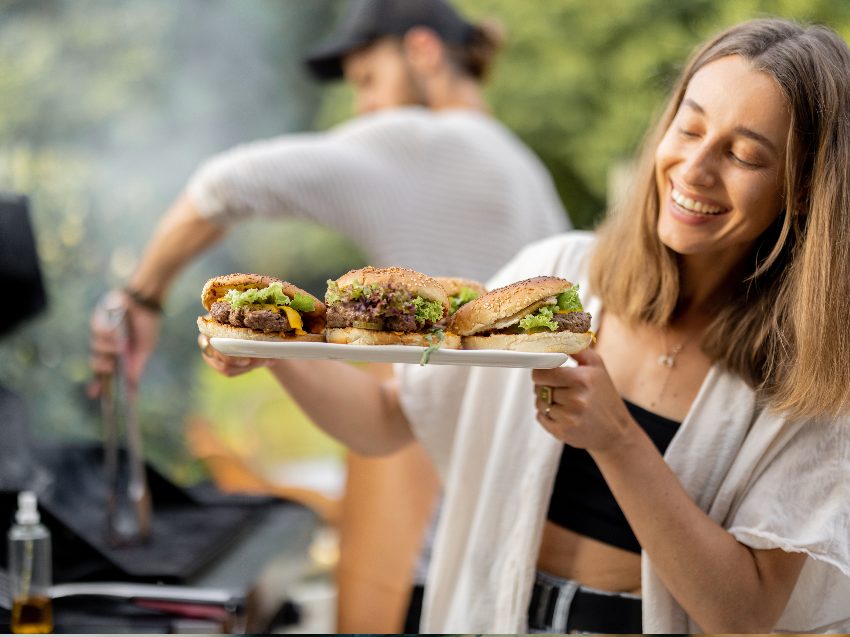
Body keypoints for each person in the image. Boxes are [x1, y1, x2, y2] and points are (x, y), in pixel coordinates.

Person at [201, 17, 850, 633]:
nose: (696, 169)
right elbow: (383, 419)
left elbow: (744, 611)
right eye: (690, 128)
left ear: (801, 188)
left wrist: (618, 440)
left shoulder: (813, 380)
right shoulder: (557, 276)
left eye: (743, 154)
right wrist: (273, 347)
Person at [88, 0, 570, 632]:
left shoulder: (424, 141)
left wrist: (143, 297)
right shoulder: (524, 169)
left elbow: (223, 183)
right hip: (529, 548)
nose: (364, 107)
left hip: (436, 553)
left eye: (369, 80)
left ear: (422, 51)